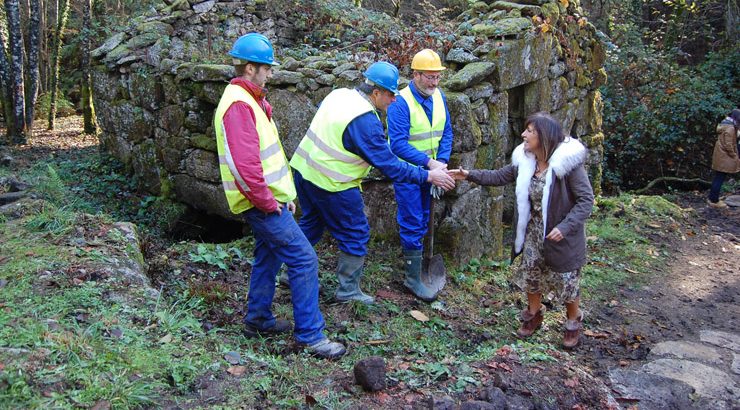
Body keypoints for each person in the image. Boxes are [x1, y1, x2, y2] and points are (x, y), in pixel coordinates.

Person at [213, 33, 345, 359]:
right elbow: (246, 167)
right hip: (261, 204)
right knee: (304, 258)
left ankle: (257, 320)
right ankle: (311, 336)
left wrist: (281, 196)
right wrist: (270, 203)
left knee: (268, 257)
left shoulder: (249, 100)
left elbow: (265, 158)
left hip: (266, 201)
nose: (270, 73)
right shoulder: (239, 106)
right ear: (249, 68)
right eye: (266, 68)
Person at [289, 61, 456, 305]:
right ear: (376, 92)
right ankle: (348, 291)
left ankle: (288, 272)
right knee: (356, 232)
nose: (394, 100)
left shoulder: (339, 95)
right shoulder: (365, 122)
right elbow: (389, 164)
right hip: (332, 182)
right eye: (390, 95)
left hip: (304, 172)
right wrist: (428, 175)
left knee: (313, 223)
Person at [449, 112, 594, 349]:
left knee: (567, 280)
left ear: (544, 136)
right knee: (532, 275)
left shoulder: (568, 165)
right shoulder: (526, 160)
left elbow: (586, 200)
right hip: (534, 232)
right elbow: (498, 176)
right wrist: (468, 175)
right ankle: (533, 315)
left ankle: (572, 321)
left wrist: (565, 227)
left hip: (562, 234)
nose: (524, 134)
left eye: (530, 131)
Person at [386, 49, 454, 302]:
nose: (434, 83)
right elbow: (398, 145)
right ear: (415, 74)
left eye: (438, 78)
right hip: (409, 173)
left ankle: (421, 265)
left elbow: (446, 131)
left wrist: (443, 162)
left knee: (425, 217)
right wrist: (429, 163)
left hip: (433, 169)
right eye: (429, 77)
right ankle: (412, 277)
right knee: (413, 219)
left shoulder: (439, 97)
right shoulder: (400, 103)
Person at [707, 109, 740, 208]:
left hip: (721, 156)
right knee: (719, 178)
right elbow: (728, 145)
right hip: (724, 157)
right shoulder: (730, 128)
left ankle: (713, 197)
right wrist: (735, 156)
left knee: (718, 177)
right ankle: (714, 201)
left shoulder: (725, 125)